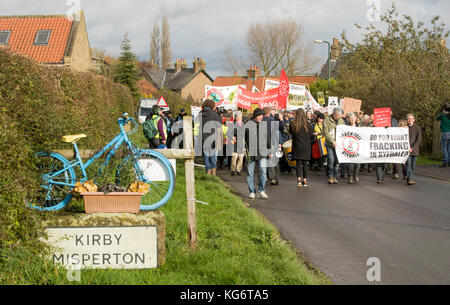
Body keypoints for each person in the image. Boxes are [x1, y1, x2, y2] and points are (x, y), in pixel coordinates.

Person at [245, 108, 272, 199]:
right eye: (260, 115)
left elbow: (268, 138)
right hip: (250, 152)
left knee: (263, 172)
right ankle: (252, 191)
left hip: (262, 152)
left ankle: (261, 190)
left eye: (262, 116)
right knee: (250, 172)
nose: (261, 117)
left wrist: (270, 150)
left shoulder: (264, 125)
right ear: (255, 116)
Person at [289, 108, 314, 187]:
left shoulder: (293, 124)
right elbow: (311, 135)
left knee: (298, 164)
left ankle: (299, 180)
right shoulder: (308, 124)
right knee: (305, 164)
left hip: (297, 145)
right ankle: (305, 180)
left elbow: (291, 133)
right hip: (306, 146)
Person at [323, 107, 345, 184]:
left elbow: (344, 132)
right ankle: (331, 175)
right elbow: (326, 132)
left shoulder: (341, 121)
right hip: (330, 144)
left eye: (339, 115)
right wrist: (332, 141)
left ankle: (335, 176)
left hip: (339, 145)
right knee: (331, 159)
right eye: (337, 115)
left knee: (337, 161)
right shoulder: (327, 119)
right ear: (333, 114)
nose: (338, 117)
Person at [200, 100, 222, 175]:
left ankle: (208, 170)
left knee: (205, 155)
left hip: (203, 137)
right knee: (212, 154)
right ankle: (213, 170)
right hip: (212, 137)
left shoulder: (200, 113)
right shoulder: (213, 113)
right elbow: (219, 124)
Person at [262, 107, 279, 185]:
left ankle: (264, 177)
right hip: (271, 142)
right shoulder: (272, 121)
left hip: (262, 143)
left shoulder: (260, 121)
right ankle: (272, 178)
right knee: (270, 160)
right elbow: (275, 133)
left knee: (262, 160)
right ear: (269, 113)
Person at [406, 113, 422, 185]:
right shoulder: (404, 128)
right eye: (408, 119)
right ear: (407, 120)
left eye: (411, 118)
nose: (410, 120)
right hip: (406, 151)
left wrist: (412, 148)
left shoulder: (417, 128)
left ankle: (409, 178)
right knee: (408, 165)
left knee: (413, 166)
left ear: (414, 120)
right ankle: (410, 179)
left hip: (414, 150)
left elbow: (418, 140)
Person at [228, 111, 246, 176]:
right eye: (239, 117)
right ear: (236, 118)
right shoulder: (232, 124)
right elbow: (228, 133)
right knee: (234, 157)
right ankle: (232, 170)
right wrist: (232, 137)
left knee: (241, 158)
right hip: (235, 143)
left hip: (242, 143)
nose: (240, 118)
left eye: (241, 117)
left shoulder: (244, 124)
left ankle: (238, 170)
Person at [346, 112, 361, 184]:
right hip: (350, 146)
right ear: (349, 120)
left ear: (356, 119)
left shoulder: (359, 127)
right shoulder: (346, 127)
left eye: (353, 118)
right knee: (351, 162)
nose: (352, 120)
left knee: (357, 162)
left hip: (358, 147)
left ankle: (356, 174)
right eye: (351, 119)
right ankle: (350, 176)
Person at [437, 103, 450, 167]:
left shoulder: (443, 115)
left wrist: (442, 112)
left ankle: (445, 161)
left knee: (444, 148)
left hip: (445, 132)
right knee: (449, 148)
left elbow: (437, 118)